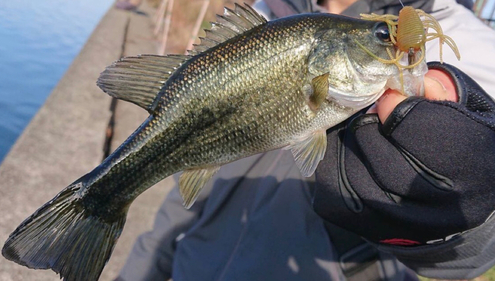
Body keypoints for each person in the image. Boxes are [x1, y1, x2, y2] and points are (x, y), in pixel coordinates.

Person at [116, 0, 495, 280]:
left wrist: (463, 198)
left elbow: (477, 253)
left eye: (383, 37)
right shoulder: (266, 16)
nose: (390, 44)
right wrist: (139, 270)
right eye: (382, 38)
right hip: (193, 268)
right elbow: (183, 199)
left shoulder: (467, 40)